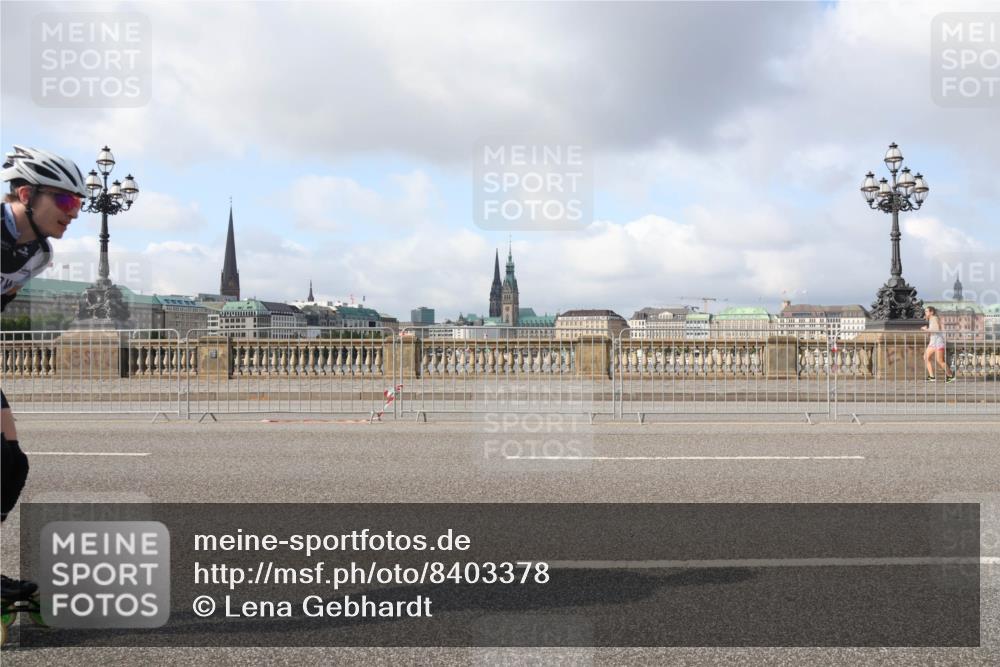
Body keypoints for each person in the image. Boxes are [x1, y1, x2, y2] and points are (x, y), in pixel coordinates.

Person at [1, 145, 87, 601]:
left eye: (82, 203)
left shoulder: (39, 255)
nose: (74, 213)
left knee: (9, 464)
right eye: (67, 201)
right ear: (25, 194)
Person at [922, 305, 955, 383]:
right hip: (933, 343)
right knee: (926, 357)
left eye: (927, 311)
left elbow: (936, 329)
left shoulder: (934, 318)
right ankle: (931, 376)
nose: (925, 312)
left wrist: (926, 329)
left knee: (940, 361)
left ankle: (950, 375)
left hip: (938, 343)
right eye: (925, 311)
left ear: (931, 312)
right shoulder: (931, 319)